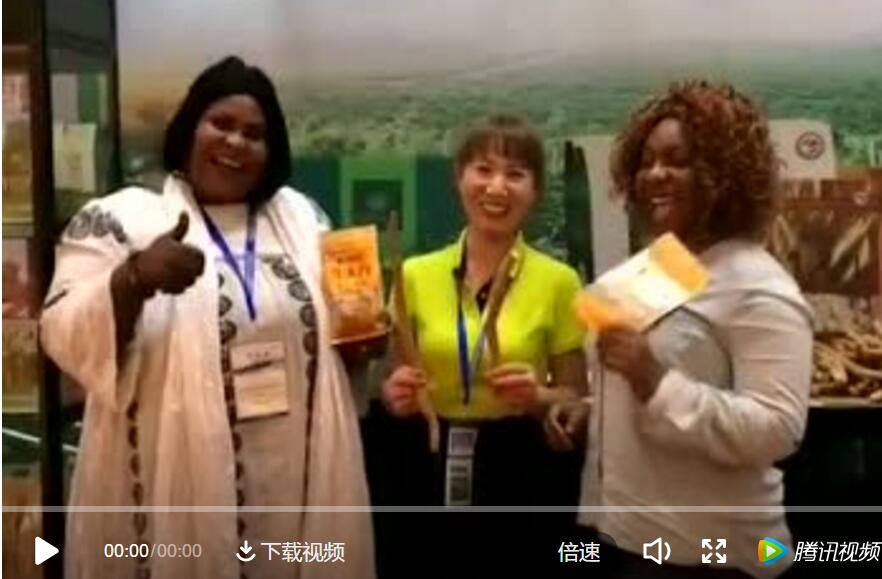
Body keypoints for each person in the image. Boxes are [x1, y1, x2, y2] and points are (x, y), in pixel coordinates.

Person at [40, 56, 374, 579]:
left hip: (293, 482)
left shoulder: (303, 219)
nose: (236, 142)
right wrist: (133, 279)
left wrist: (361, 344)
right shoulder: (124, 219)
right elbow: (61, 331)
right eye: (221, 123)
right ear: (190, 127)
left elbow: (335, 340)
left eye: (254, 134)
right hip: (174, 481)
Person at [574, 81, 814, 578]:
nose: (655, 174)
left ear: (724, 175)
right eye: (645, 162)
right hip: (626, 539)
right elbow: (620, 385)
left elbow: (778, 430)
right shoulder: (657, 267)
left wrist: (656, 381)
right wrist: (584, 410)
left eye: (677, 161)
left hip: (714, 558)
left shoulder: (759, 287)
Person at [370, 114, 587, 574]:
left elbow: (575, 398)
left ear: (536, 191)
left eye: (515, 174)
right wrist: (394, 395)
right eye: (483, 169)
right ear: (459, 178)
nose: (497, 187)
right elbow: (392, 379)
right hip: (426, 465)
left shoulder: (560, 282)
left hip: (520, 470)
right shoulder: (414, 275)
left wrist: (538, 396)